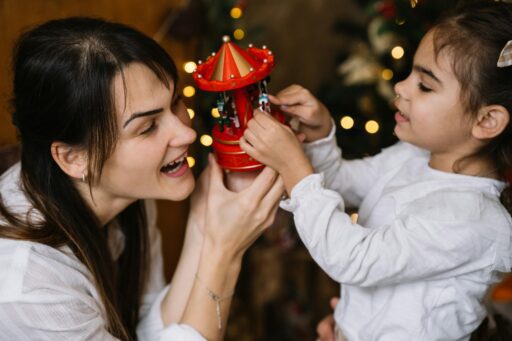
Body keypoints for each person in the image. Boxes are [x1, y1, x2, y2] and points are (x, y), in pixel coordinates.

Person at [240, 1, 512, 340]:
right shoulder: (412, 157)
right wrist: (321, 137)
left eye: (425, 86)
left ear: (486, 120)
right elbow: (340, 182)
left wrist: (294, 169)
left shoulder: (474, 219)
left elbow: (353, 258)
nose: (401, 87)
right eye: (411, 73)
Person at [0, 17, 284, 340]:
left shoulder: (127, 193)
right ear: (73, 158)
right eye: (147, 127)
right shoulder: (28, 290)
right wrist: (225, 253)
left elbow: (148, 329)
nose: (186, 131)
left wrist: (203, 225)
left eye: (175, 102)